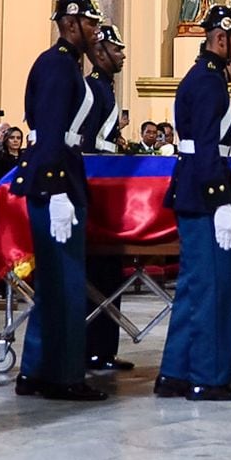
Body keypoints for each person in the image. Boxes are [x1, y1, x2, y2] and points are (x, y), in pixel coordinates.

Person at [12, 0, 106, 401]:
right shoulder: (57, 65)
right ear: (71, 23)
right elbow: (49, 130)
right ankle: (64, 376)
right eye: (91, 23)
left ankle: (35, 370)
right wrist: (58, 191)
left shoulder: (67, 64)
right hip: (56, 177)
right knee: (65, 283)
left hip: (61, 171)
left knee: (55, 283)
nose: (96, 31)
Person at [157, 0, 231, 402]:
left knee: (194, 287)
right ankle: (208, 378)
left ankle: (175, 372)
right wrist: (222, 202)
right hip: (204, 192)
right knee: (212, 287)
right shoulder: (210, 82)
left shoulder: (200, 77)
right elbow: (208, 148)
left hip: (191, 190)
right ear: (220, 38)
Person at [82, 22, 133, 372]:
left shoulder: (106, 90)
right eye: (117, 49)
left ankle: (105, 350)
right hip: (96, 188)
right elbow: (88, 142)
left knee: (110, 275)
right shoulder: (91, 89)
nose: (123, 55)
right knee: (98, 274)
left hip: (109, 189)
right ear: (100, 53)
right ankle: (93, 349)